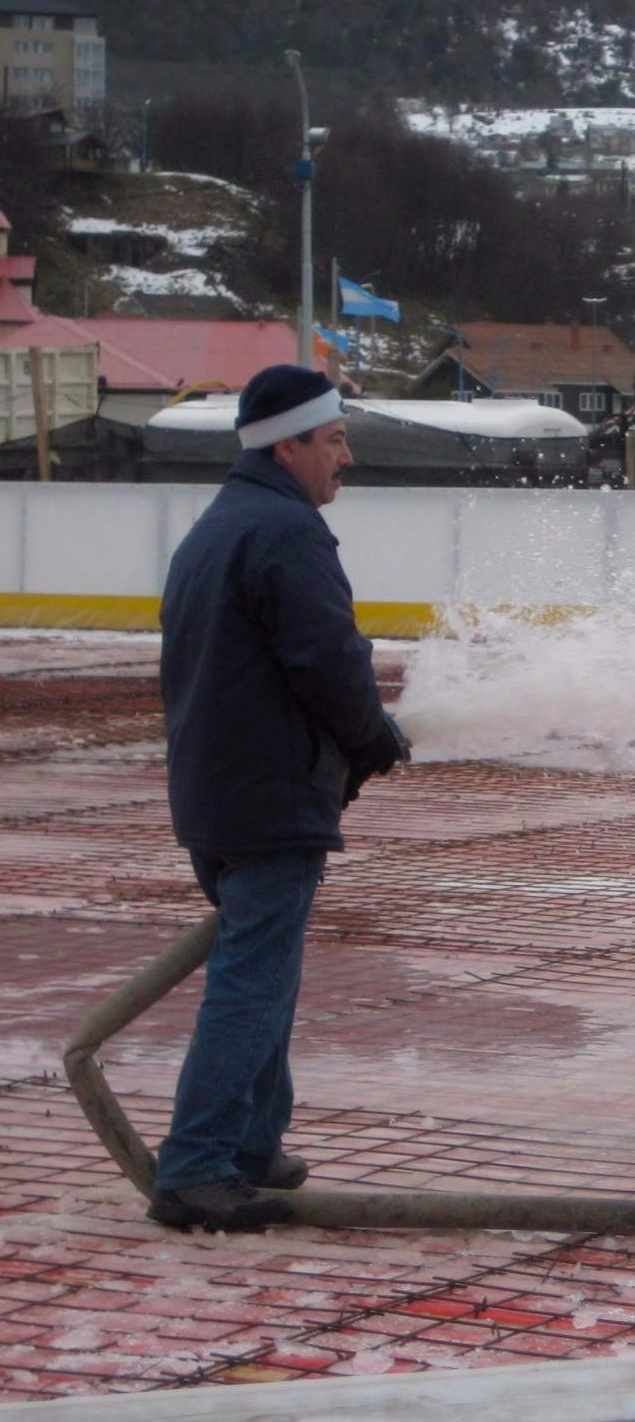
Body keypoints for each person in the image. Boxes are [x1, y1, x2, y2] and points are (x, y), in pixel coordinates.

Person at [149, 364, 410, 1233]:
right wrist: (374, 739)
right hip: (266, 800)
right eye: (334, 439)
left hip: (218, 794)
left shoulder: (219, 527)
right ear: (289, 444)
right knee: (252, 981)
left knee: (267, 970)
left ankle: (253, 1141)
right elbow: (328, 659)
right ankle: (194, 1167)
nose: (347, 455)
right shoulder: (287, 534)